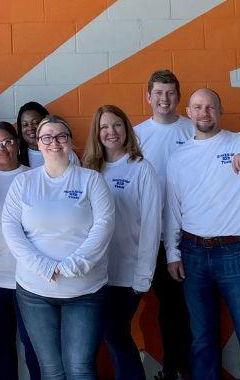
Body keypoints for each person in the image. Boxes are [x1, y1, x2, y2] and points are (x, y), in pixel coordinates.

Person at [164, 89, 240, 380]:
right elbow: (172, 209)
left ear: (220, 110)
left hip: (235, 252)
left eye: (210, 107)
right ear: (189, 112)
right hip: (193, 252)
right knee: (202, 337)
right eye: (198, 107)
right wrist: (173, 253)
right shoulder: (178, 157)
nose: (204, 112)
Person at [2, 115, 115, 380]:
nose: (55, 143)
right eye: (47, 137)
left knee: (80, 369)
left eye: (61, 136)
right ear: (38, 144)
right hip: (35, 291)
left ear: (71, 140)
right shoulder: (23, 182)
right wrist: (43, 266)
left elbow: (104, 226)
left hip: (85, 290)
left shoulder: (91, 180)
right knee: (51, 370)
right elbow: (10, 228)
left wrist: (72, 266)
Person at [81, 105, 163, 380]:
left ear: (126, 129)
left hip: (128, 274)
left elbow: (152, 226)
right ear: (97, 132)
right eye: (104, 127)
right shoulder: (89, 170)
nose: (111, 132)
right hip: (96, 273)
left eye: (116, 125)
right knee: (107, 334)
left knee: (114, 332)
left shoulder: (141, 169)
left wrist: (144, 275)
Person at [130, 70, 193, 380]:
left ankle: (183, 370)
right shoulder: (137, 136)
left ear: (178, 97)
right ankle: (169, 370)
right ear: (148, 97)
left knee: (184, 310)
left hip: (186, 237)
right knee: (159, 310)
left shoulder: (193, 130)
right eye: (158, 93)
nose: (164, 99)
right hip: (150, 237)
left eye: (170, 93)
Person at [0, 122, 43, 380]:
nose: (0, 148)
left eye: (6, 141)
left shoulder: (35, 176)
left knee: (34, 346)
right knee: (1, 347)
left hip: (28, 280)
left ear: (17, 143)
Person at [15, 101, 79, 168]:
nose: (30, 128)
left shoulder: (66, 154)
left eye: (36, 123)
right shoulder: (15, 156)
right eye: (25, 124)